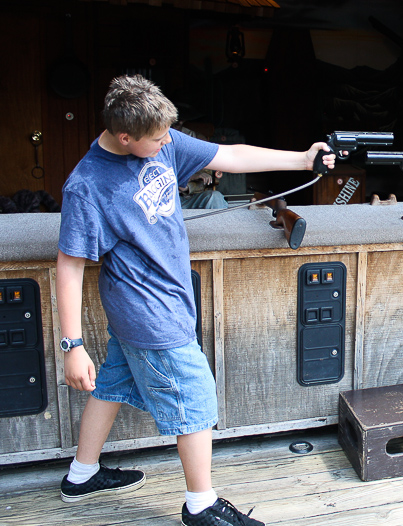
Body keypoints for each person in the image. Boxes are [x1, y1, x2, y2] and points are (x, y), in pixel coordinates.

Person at [56, 74, 338, 526]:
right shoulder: (87, 186)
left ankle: (82, 474)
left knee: (112, 385)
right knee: (196, 401)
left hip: (154, 304)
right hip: (148, 311)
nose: (168, 143)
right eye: (157, 138)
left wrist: (304, 159)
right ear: (124, 136)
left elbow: (229, 155)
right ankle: (200, 506)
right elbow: (69, 266)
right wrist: (73, 346)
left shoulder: (158, 138)